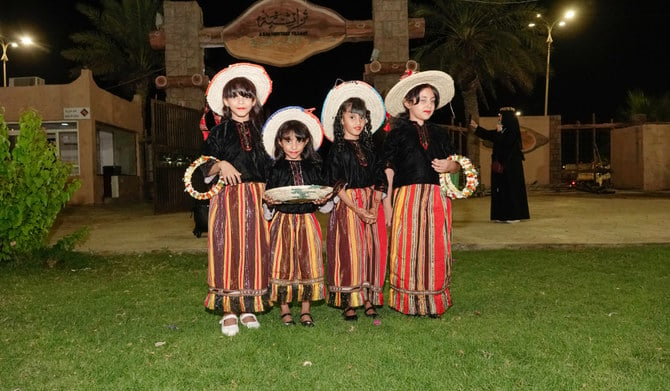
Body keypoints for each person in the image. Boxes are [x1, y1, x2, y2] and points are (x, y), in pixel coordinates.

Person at [200, 63, 274, 336]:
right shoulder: (218, 133)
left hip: (257, 198)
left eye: (246, 95)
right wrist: (221, 164)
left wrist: (271, 195)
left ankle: (249, 306)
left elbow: (271, 168)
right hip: (227, 199)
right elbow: (201, 166)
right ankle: (229, 310)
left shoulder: (263, 133)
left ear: (254, 100)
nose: (240, 101)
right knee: (226, 249)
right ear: (225, 101)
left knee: (255, 250)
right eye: (234, 96)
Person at [381, 70, 461, 317]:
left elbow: (456, 164)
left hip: (437, 199)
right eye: (422, 99)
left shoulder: (440, 133)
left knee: (436, 249)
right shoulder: (396, 132)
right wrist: (387, 205)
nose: (428, 105)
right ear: (407, 102)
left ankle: (434, 302)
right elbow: (388, 170)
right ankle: (409, 303)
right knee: (409, 248)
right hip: (407, 198)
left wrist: (450, 165)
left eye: (432, 100)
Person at [321, 80, 388, 320]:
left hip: (371, 205)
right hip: (349, 207)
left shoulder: (371, 148)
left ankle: (368, 298)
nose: (358, 123)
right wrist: (358, 209)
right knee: (350, 252)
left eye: (362, 118)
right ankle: (349, 300)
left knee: (372, 251)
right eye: (352, 117)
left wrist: (373, 205)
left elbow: (380, 178)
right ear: (341, 120)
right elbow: (336, 185)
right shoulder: (336, 151)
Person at [262, 107, 330, 327]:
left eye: (299, 141)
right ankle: (284, 310)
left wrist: (322, 201)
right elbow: (268, 201)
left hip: (308, 222)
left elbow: (322, 199)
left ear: (307, 142)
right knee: (282, 263)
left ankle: (305, 310)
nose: (293, 146)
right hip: (282, 222)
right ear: (280, 142)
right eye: (288, 140)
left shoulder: (314, 166)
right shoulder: (275, 169)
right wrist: (269, 203)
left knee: (307, 262)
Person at [470, 107, 530, 223]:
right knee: (500, 189)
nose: (499, 118)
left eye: (501, 116)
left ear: (507, 118)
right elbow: (489, 135)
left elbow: (504, 143)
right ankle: (501, 215)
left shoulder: (511, 131)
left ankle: (513, 215)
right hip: (501, 165)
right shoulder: (502, 130)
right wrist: (476, 127)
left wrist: (498, 133)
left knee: (510, 189)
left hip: (510, 165)